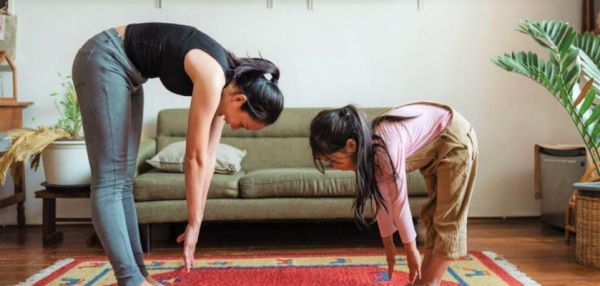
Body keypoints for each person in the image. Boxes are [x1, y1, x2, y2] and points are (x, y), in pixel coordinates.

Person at [72, 22, 283, 286]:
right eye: (243, 123)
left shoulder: (226, 89)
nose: (236, 127)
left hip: (130, 74)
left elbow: (207, 157)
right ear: (240, 100)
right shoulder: (214, 78)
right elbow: (193, 158)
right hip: (105, 59)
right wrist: (192, 223)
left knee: (123, 183)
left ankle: (140, 277)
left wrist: (199, 219)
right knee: (110, 181)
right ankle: (131, 281)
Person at [309, 102, 477, 285]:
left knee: (448, 218)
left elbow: (399, 200)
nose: (333, 166)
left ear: (350, 145)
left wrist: (411, 250)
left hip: (454, 139)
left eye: (332, 159)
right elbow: (383, 201)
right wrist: (389, 246)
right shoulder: (370, 151)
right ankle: (423, 281)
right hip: (434, 147)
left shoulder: (384, 144)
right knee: (433, 214)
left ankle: (430, 282)